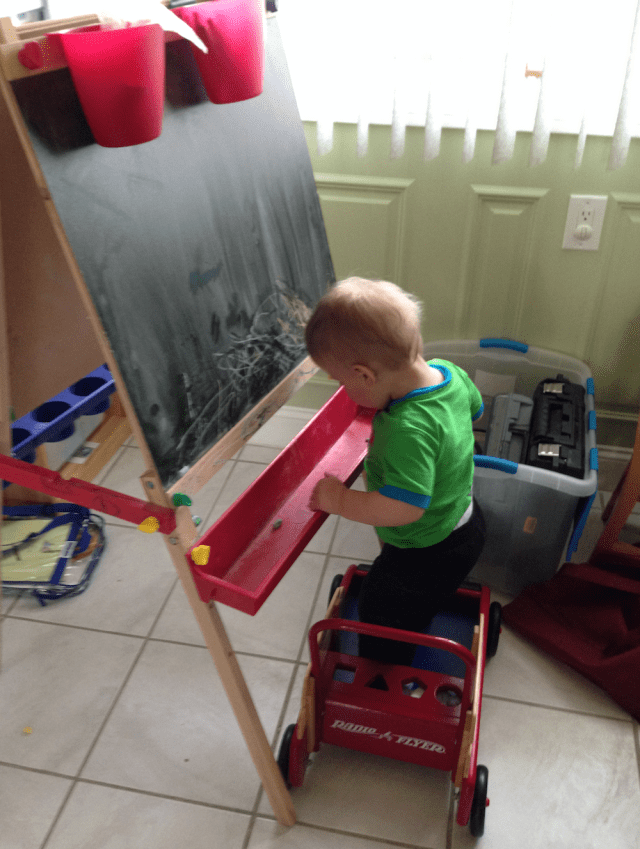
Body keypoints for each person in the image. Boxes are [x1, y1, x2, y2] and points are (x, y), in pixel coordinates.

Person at [305, 277, 486, 664]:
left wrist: (339, 499)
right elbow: (475, 410)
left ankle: (382, 670)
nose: (342, 390)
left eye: (341, 382)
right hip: (465, 519)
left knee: (383, 610)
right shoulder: (448, 373)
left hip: (427, 548)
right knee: (415, 599)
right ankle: (418, 614)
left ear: (365, 375)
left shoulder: (407, 427)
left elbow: (404, 508)